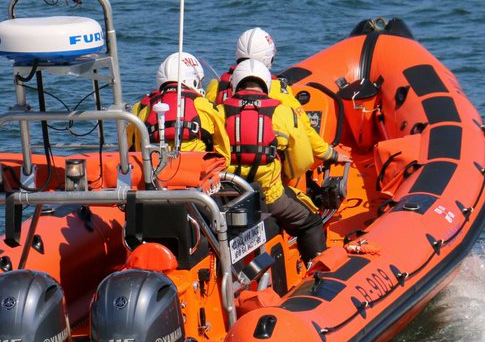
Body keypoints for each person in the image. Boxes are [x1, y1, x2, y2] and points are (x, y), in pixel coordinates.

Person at [219, 59, 329, 262]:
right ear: (267, 85)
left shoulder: (218, 112)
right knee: (311, 223)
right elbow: (302, 160)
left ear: (234, 83)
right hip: (270, 197)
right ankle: (315, 276)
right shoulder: (282, 112)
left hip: (228, 198)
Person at [206, 27, 343, 167]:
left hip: (223, 167)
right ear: (269, 58)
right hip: (265, 169)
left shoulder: (216, 86)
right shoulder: (278, 89)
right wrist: (330, 154)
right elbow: (304, 130)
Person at [130, 53, 230, 158]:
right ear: (193, 80)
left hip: (153, 168)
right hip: (195, 170)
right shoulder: (206, 106)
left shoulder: (142, 109)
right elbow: (224, 153)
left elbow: (133, 147)